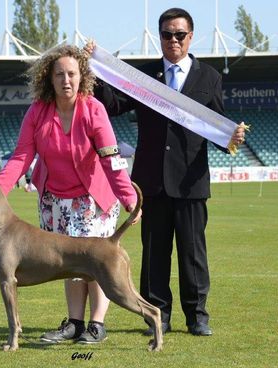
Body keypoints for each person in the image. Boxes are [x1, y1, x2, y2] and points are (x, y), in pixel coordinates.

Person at [85, 8, 245, 336]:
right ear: (159, 37)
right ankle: (158, 315)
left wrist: (232, 138)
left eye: (180, 34)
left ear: (191, 36)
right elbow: (113, 106)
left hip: (191, 183)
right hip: (151, 182)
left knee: (193, 253)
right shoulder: (143, 76)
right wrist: (95, 69)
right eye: (167, 34)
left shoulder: (210, 77)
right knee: (154, 254)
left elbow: (217, 130)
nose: (173, 40)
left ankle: (197, 315)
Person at [0, 45, 141, 345]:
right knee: (67, 264)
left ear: (82, 77)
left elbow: (111, 159)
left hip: (92, 201)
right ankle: (74, 323)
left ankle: (96, 325)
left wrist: (128, 198)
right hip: (54, 202)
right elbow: (22, 156)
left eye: (72, 74)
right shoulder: (38, 111)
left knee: (97, 262)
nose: (66, 80)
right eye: (59, 74)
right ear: (49, 78)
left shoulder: (94, 110)